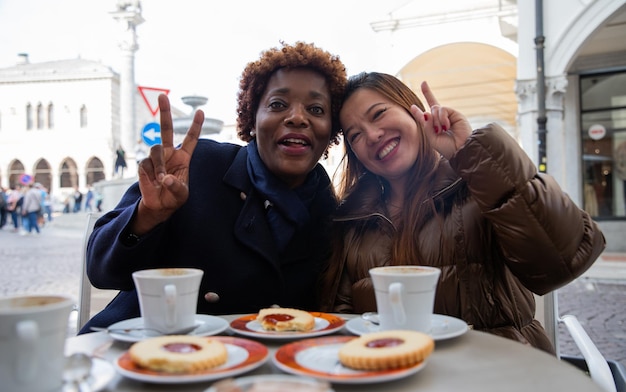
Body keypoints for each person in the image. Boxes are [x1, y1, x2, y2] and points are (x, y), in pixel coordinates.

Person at [318, 72, 606, 353]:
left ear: (413, 110)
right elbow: (345, 323)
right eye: (355, 135)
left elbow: (561, 262)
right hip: (398, 382)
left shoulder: (479, 183)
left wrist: (471, 151)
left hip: (501, 380)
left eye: (378, 114)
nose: (372, 135)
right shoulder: (353, 222)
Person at [79, 41, 347, 334]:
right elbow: (101, 271)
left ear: (330, 129)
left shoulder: (330, 215)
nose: (297, 117)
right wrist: (147, 216)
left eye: (316, 108)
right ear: (252, 119)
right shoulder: (198, 166)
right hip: (139, 350)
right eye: (278, 104)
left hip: (247, 367)